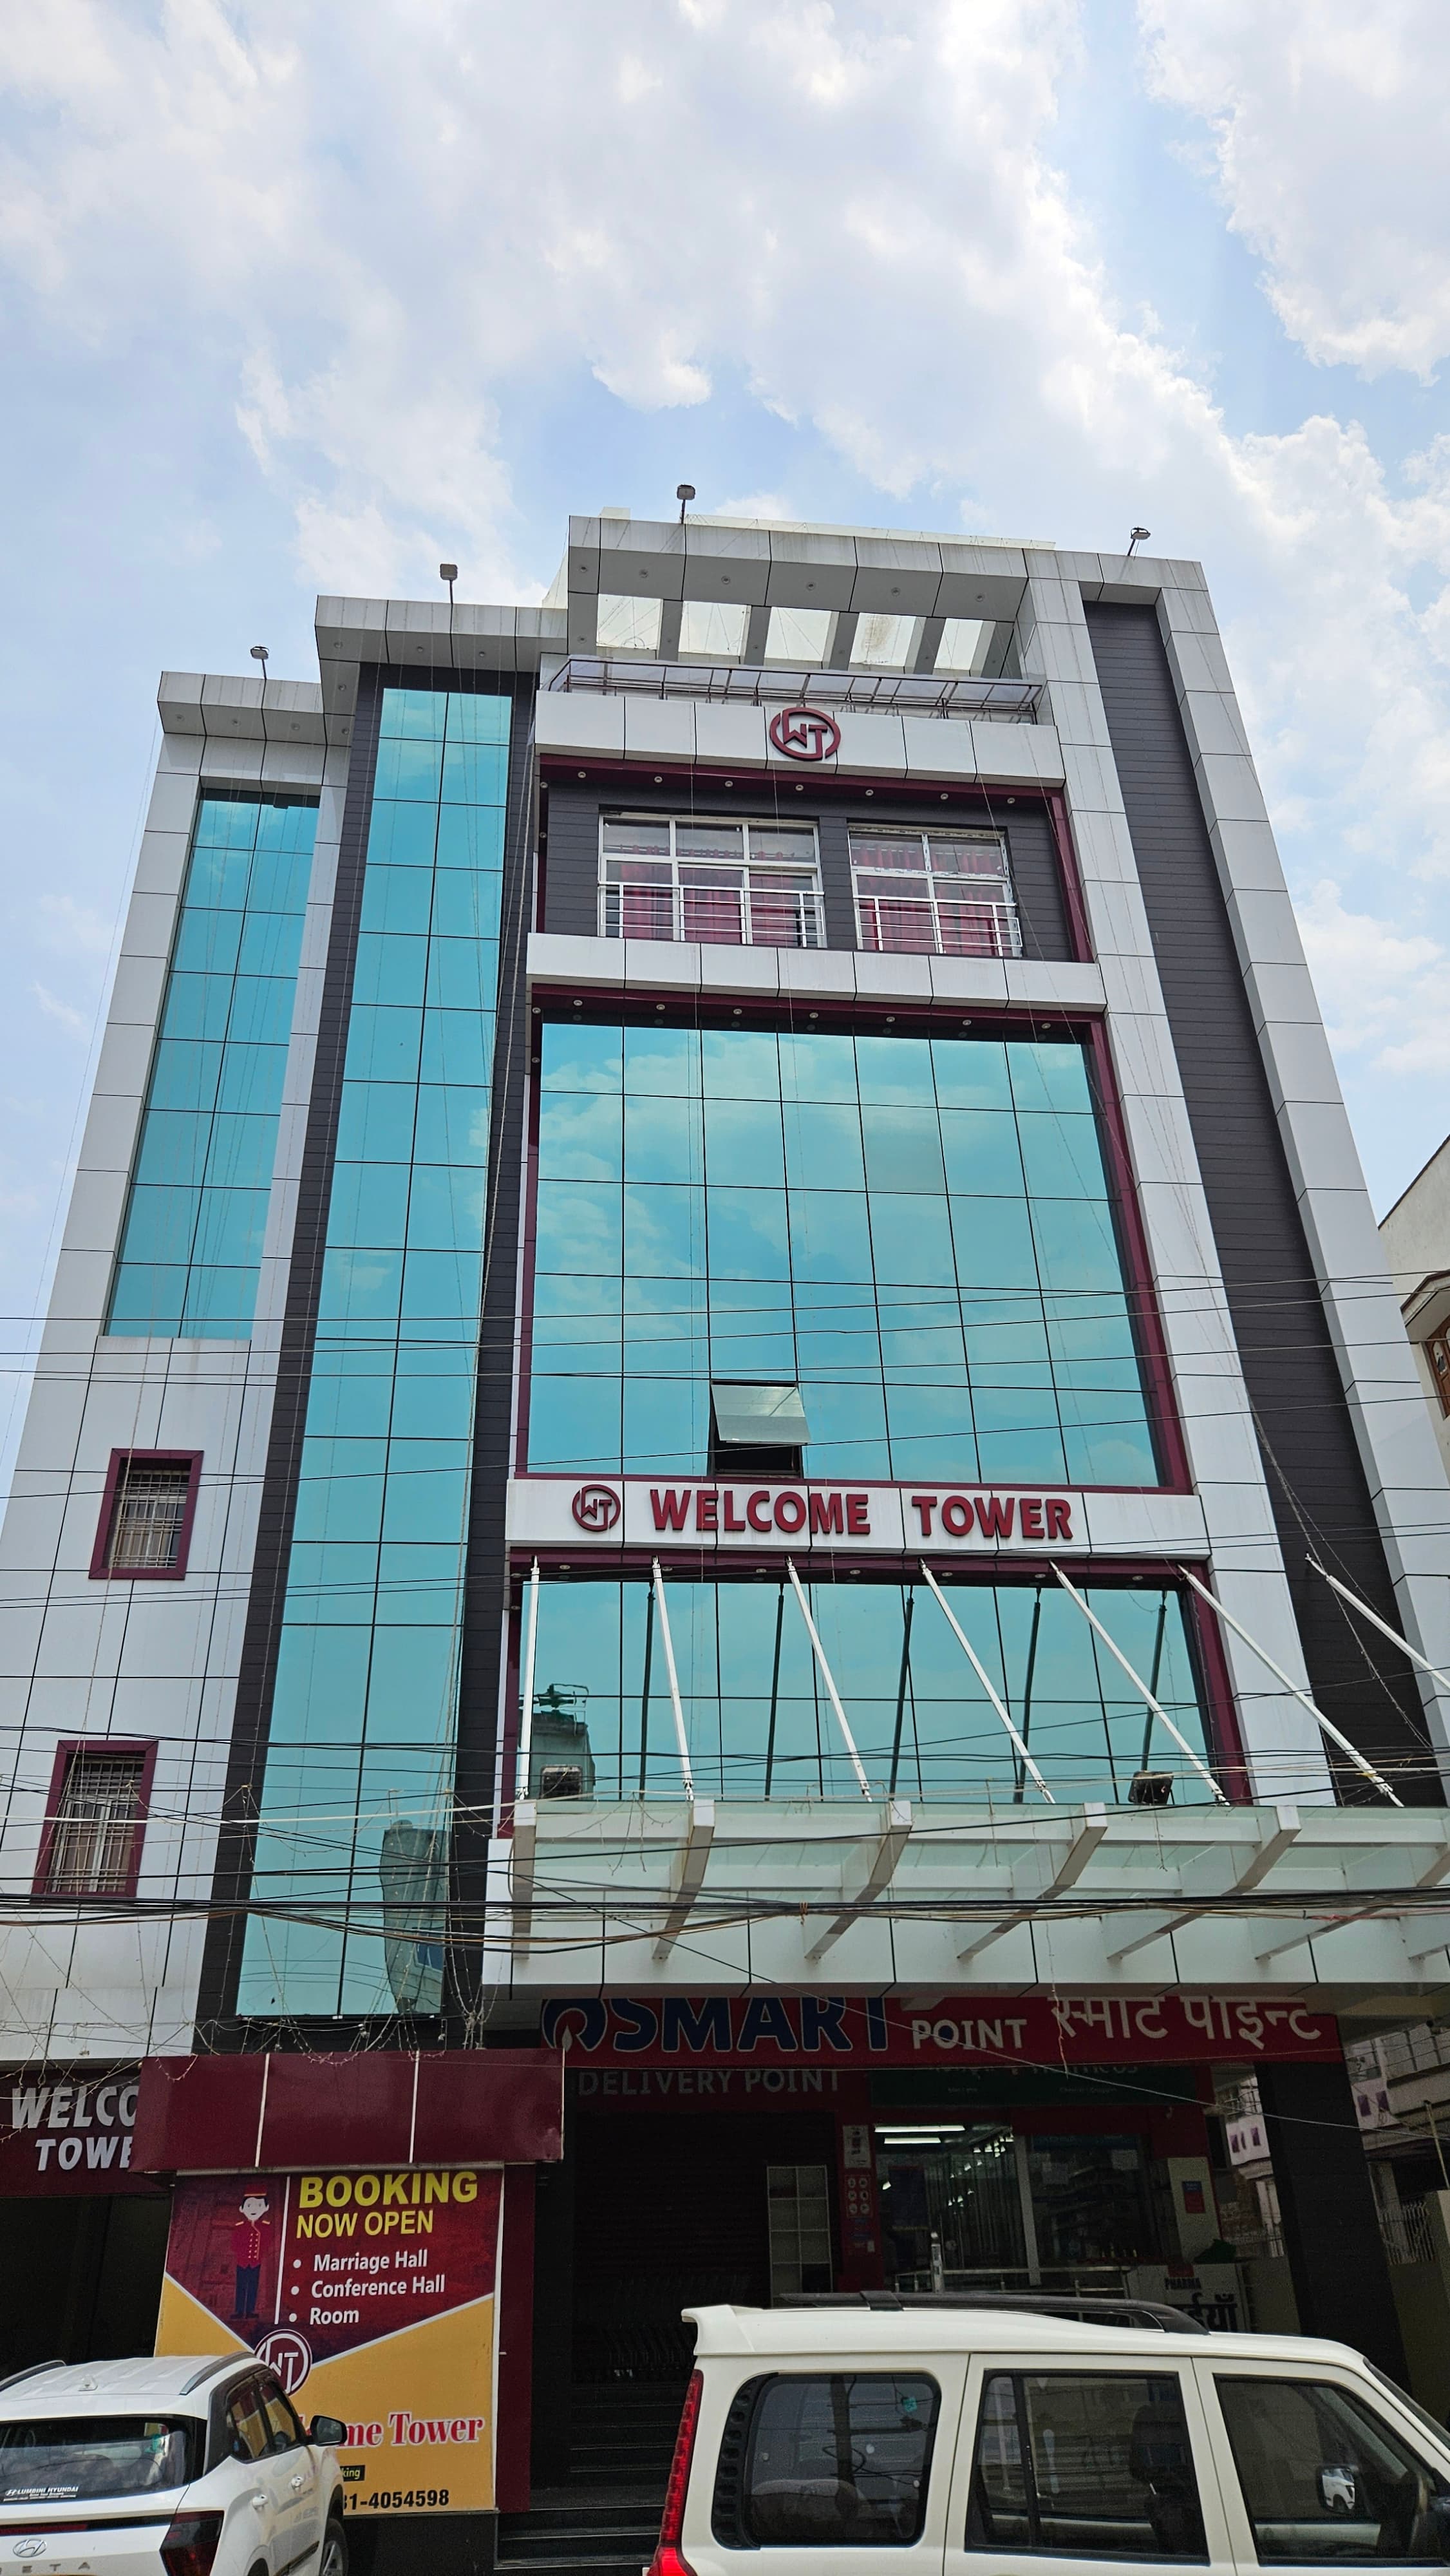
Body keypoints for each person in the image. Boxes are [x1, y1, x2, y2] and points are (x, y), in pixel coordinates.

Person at [231, 2191, 272, 2322]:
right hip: (242, 2262)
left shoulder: (265, 2227)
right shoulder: (240, 2227)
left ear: (266, 2208)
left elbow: (267, 2243)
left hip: (256, 2262)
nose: (254, 2210)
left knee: (253, 2286)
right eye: (249, 2206)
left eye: (259, 2205)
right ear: (242, 2209)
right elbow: (234, 2244)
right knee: (241, 2286)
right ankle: (239, 2310)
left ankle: (250, 2310)